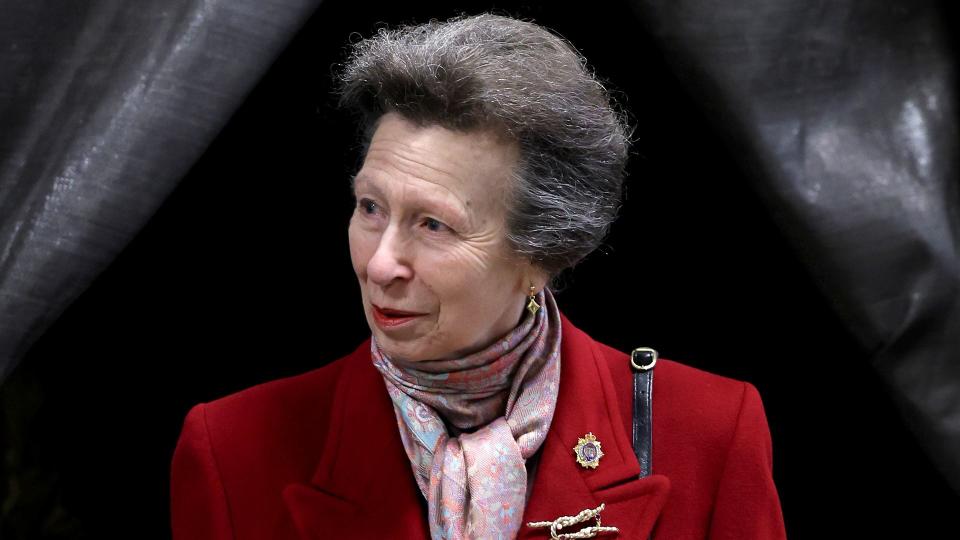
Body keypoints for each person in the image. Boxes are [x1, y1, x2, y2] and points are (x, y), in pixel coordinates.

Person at [170, 13, 786, 539]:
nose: (380, 264)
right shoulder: (230, 448)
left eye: (433, 225)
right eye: (370, 208)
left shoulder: (710, 430)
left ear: (542, 254)